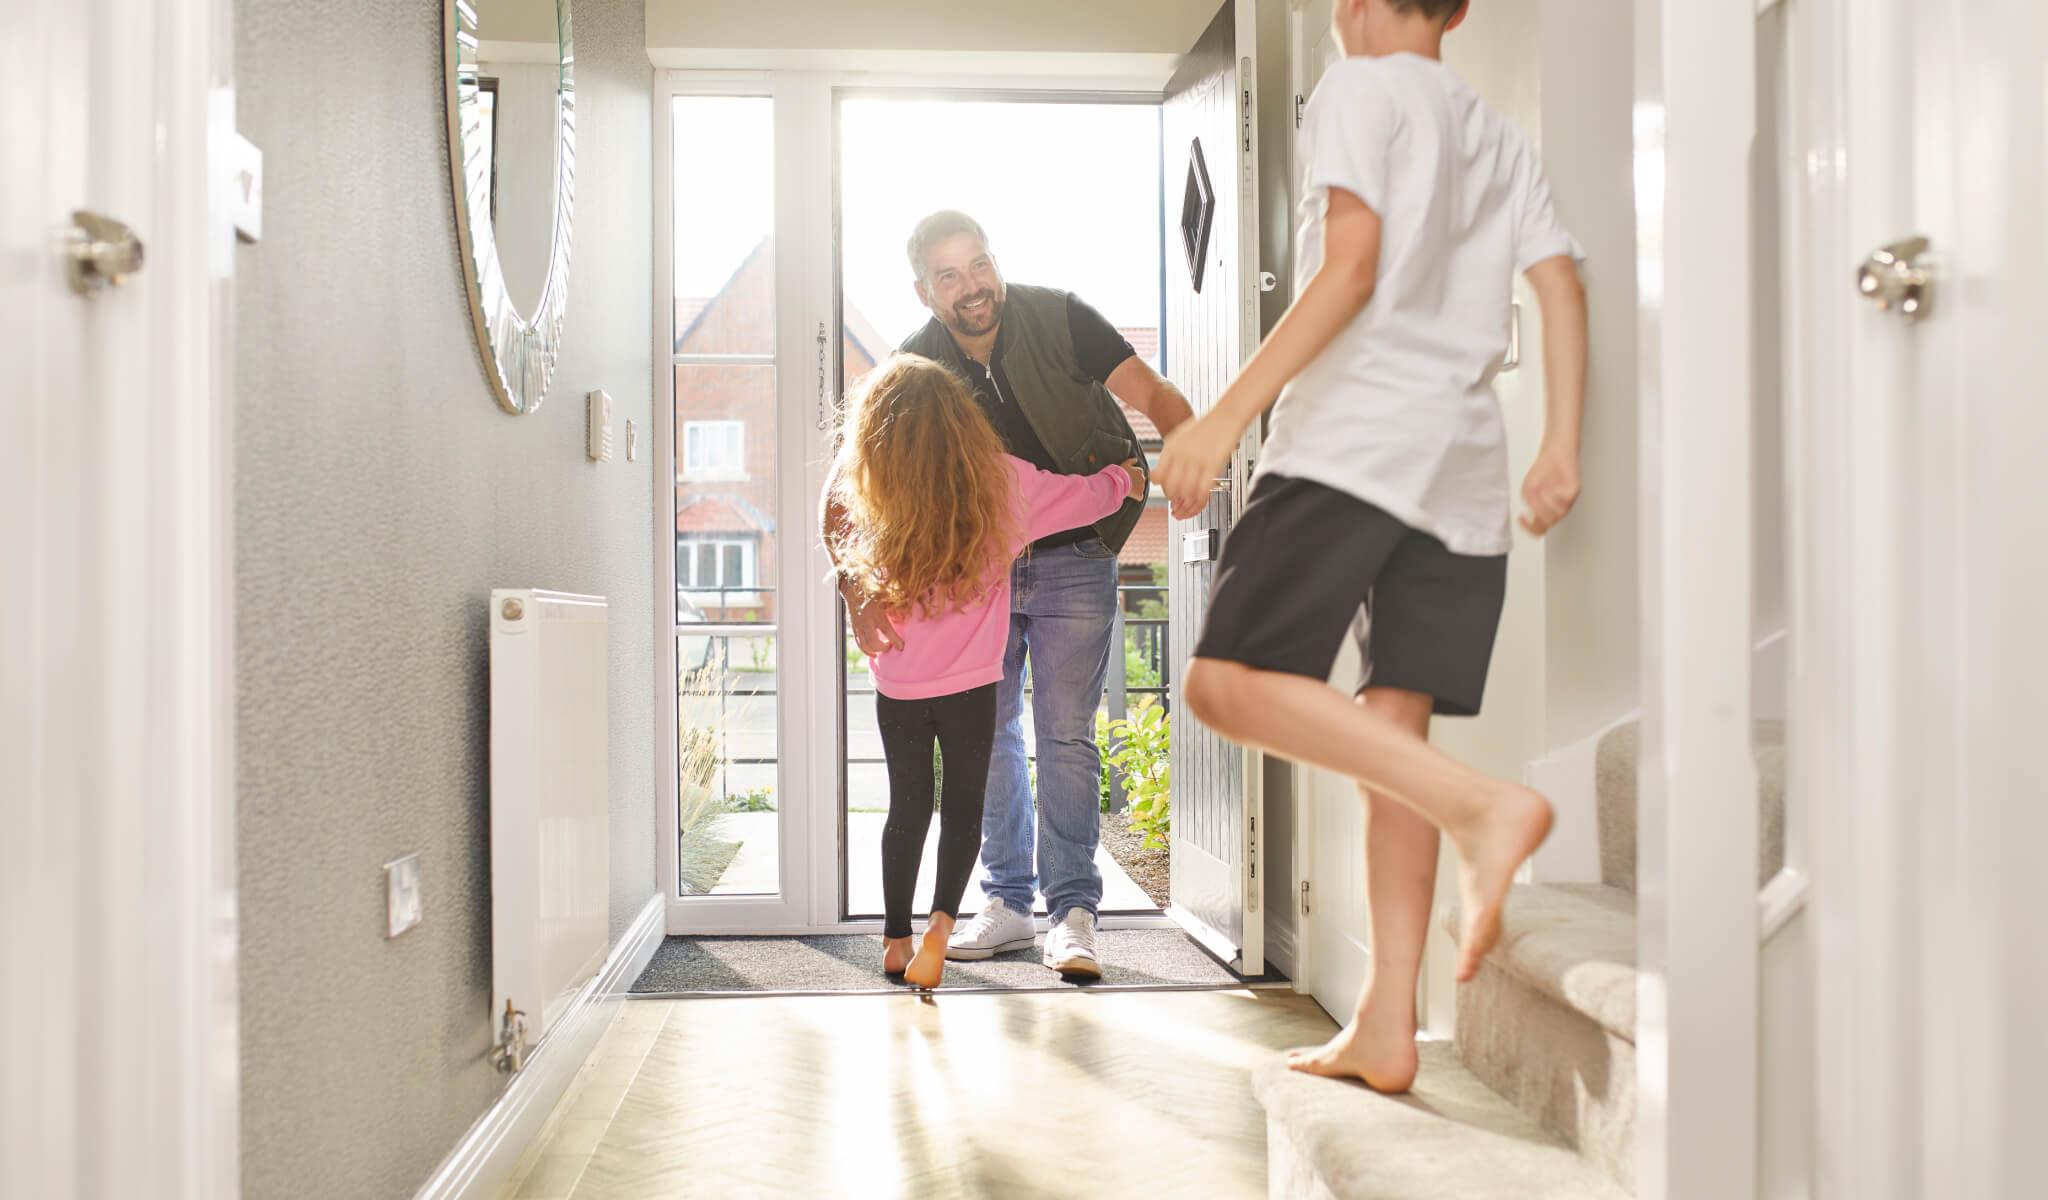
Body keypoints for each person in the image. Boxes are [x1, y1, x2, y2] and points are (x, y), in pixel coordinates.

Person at [1153, 0, 1588, 1090]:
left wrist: (1222, 417)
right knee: (1389, 730)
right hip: (1464, 459)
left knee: (1222, 685)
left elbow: (1349, 268)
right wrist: (1559, 444)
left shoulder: (1358, 88)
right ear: (1458, 9)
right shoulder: (1493, 128)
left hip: (1354, 443)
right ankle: (1387, 1026)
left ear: (1350, 5)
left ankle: (1484, 808)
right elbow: (1557, 284)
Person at [834, 210, 1194, 979]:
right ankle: (1005, 901)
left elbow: (1153, 394)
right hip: (972, 577)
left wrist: (1191, 442)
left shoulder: (1061, 318)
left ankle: (1072, 912)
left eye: (979, 264)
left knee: (1064, 734)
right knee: (988, 738)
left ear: (996, 263)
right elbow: (851, 485)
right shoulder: (917, 364)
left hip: (1071, 555)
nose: (973, 286)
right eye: (950, 275)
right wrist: (857, 594)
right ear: (926, 293)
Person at [823, 354, 1143, 989]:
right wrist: (1124, 480)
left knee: (907, 807)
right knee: (965, 808)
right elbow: (1080, 499)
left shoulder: (871, 488)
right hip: (972, 684)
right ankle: (940, 931)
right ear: (961, 421)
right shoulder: (1001, 483)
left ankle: (894, 939)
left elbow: (833, 517)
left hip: (900, 684)